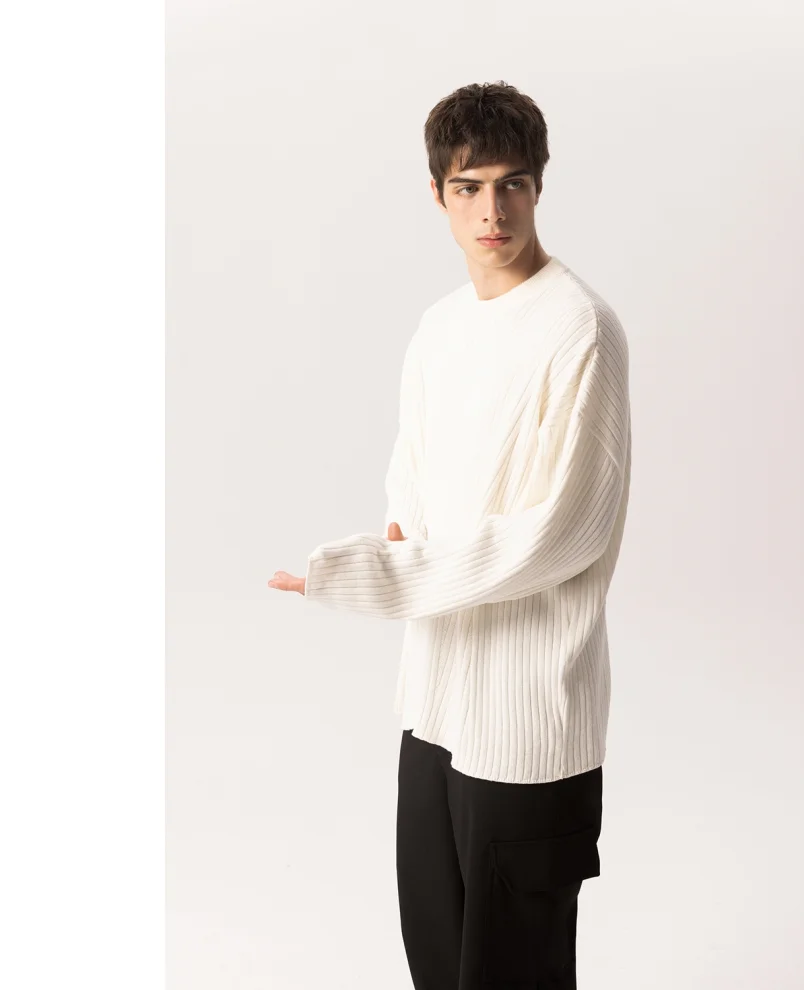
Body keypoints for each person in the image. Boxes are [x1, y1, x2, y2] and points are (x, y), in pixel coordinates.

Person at [268, 80, 632, 990]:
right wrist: (408, 549)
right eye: (469, 188)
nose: (491, 212)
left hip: (528, 726)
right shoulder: (439, 329)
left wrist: (383, 576)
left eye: (511, 185)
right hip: (431, 712)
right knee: (437, 969)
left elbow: (563, 533)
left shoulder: (580, 329)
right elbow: (412, 484)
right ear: (438, 194)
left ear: (539, 187)